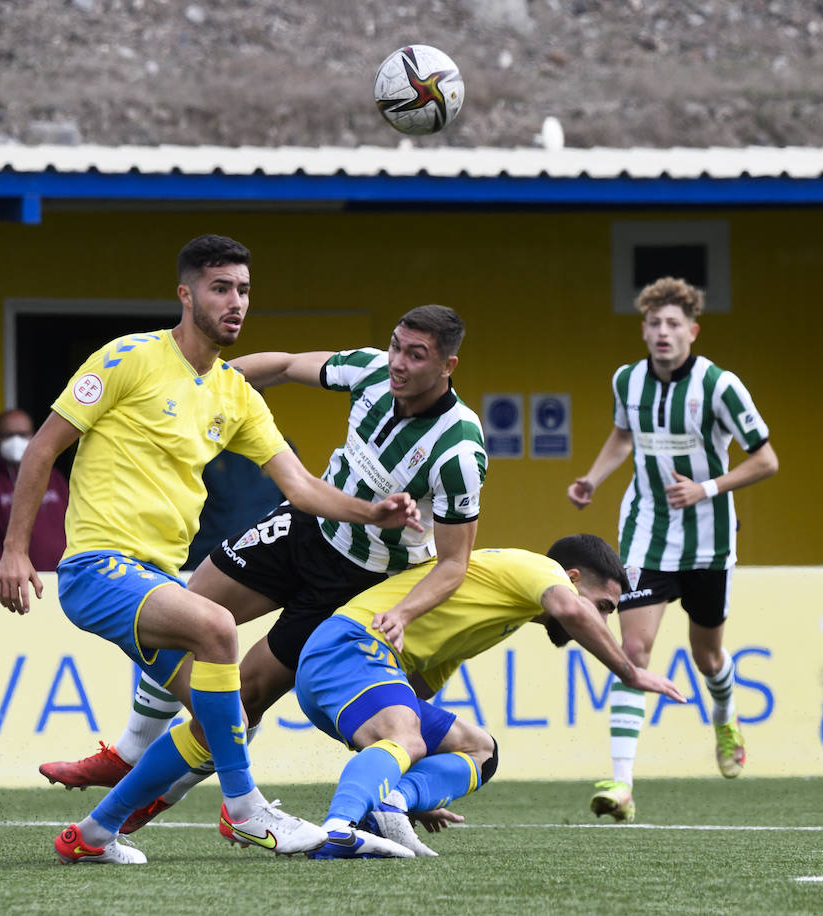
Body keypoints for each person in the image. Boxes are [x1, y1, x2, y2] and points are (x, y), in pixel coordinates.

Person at [0, 234, 421, 865]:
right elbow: (42, 448)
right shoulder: (126, 358)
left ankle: (91, 834)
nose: (236, 302)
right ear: (186, 294)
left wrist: (372, 512)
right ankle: (247, 811)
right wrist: (15, 550)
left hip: (155, 578)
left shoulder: (235, 394)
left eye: (244, 290)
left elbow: (301, 488)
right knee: (218, 625)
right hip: (97, 569)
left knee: (223, 722)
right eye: (221, 288)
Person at [38, 305, 485, 826]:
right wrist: (212, 383)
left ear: (448, 366)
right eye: (395, 345)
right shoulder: (370, 371)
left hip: (359, 581)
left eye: (416, 354)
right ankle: (131, 750)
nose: (398, 362)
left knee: (242, 697)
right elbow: (285, 365)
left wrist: (404, 614)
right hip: (303, 527)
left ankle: (163, 794)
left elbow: (454, 564)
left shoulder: (458, 450)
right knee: (187, 612)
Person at [72, 534, 686, 862]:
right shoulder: (541, 574)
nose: (597, 619)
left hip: (356, 663)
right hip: (348, 645)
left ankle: (93, 831)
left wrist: (417, 787)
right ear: (576, 580)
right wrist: (628, 670)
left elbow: (415, 693)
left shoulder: (498, 612)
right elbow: (569, 610)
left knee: (479, 748)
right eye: (603, 606)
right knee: (401, 736)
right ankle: (343, 826)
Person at [567, 276, 779, 824]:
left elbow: (766, 460)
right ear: (644, 330)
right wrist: (592, 479)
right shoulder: (628, 381)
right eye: (654, 324)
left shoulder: (719, 386)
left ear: (692, 331)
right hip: (646, 536)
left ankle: (725, 715)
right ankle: (622, 783)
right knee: (634, 653)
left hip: (709, 541)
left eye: (673, 324)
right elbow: (622, 435)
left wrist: (706, 487)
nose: (663, 333)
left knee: (708, 656)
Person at [0, 408, 67, 571]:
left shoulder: (51, 475)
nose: (16, 440)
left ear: (33, 435)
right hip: (18, 579)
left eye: (22, 434)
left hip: (62, 577)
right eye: (8, 435)